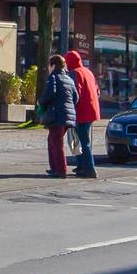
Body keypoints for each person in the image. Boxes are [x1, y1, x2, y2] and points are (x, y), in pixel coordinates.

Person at [40, 52, 78, 179]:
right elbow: (76, 97)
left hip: (57, 115)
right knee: (53, 140)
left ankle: (60, 170)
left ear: (53, 65)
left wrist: (41, 101)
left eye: (49, 65)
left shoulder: (53, 77)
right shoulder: (69, 79)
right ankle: (55, 167)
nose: (48, 68)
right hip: (68, 115)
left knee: (56, 143)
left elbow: (49, 94)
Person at [66, 48, 101, 178]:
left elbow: (75, 94)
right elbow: (97, 90)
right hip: (91, 111)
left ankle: (89, 168)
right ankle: (82, 165)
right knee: (81, 139)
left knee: (81, 140)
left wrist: (69, 108)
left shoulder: (74, 73)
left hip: (81, 112)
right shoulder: (88, 72)